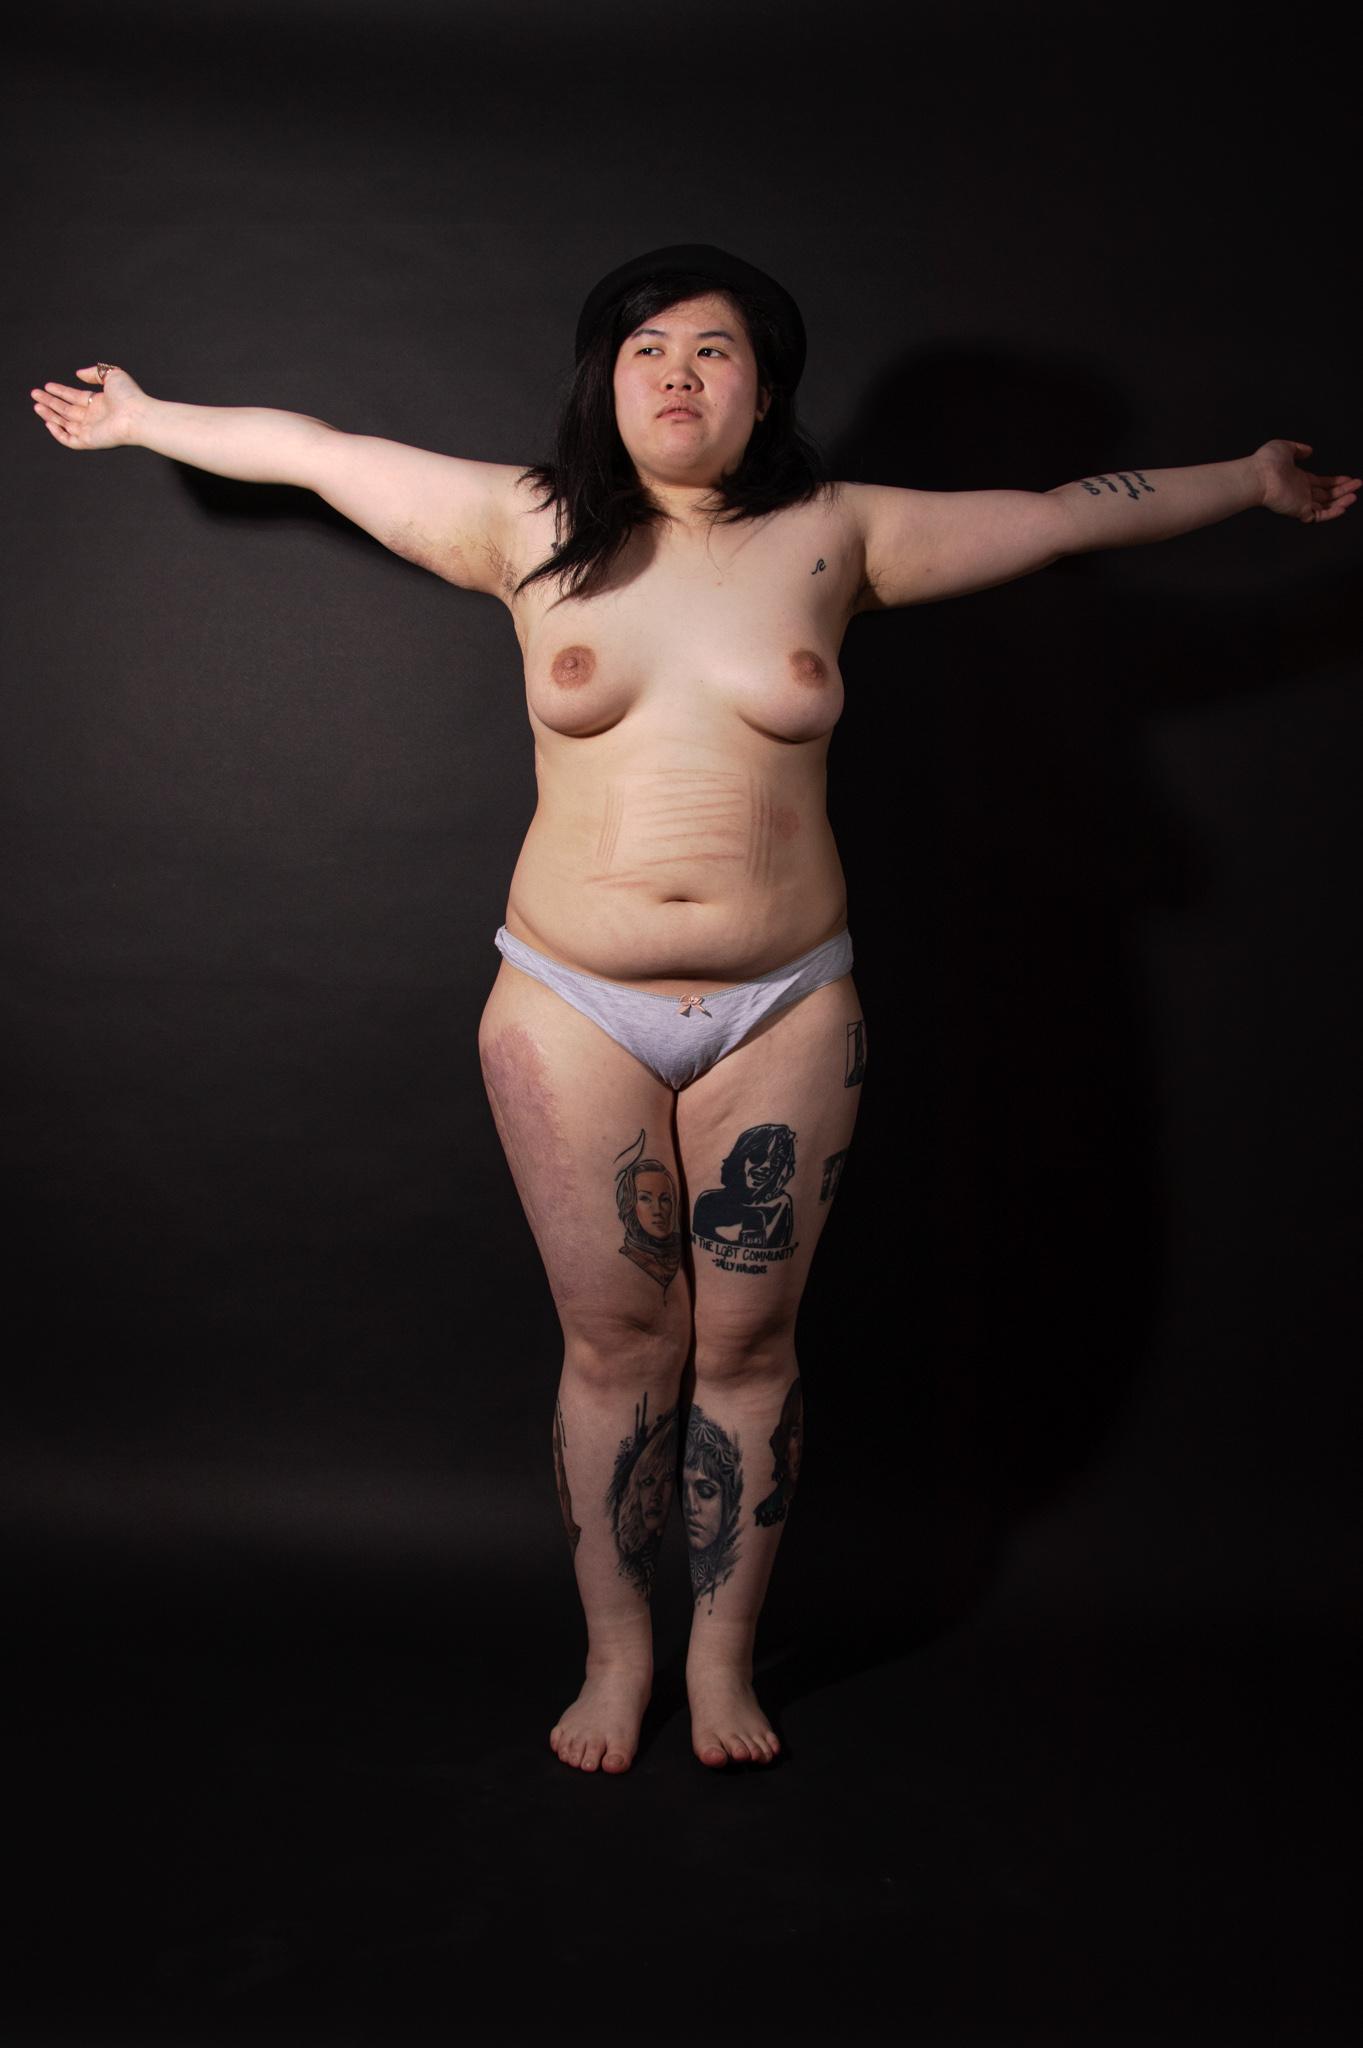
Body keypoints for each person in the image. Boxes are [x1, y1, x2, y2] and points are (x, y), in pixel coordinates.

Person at [31, 244, 1358, 1776]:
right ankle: (618, 1655)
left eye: (713, 349)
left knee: (750, 1346)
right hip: (568, 1004)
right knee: (615, 1349)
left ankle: (723, 1659)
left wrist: (1250, 481)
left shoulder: (838, 533)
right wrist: (144, 419)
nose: (677, 371)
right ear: (606, 379)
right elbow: (319, 453)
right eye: (647, 346)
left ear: (763, 388)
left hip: (785, 1007)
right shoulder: (527, 524)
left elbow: (1065, 514)